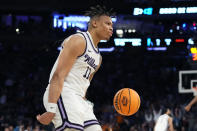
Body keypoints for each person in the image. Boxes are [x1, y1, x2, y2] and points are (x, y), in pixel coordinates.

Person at [36, 5, 114, 131]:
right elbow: (58, 75)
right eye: (108, 23)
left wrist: (86, 104)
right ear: (94, 23)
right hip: (63, 94)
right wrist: (51, 109)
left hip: (79, 100)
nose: (111, 28)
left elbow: (83, 86)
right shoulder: (79, 40)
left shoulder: (98, 58)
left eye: (112, 25)